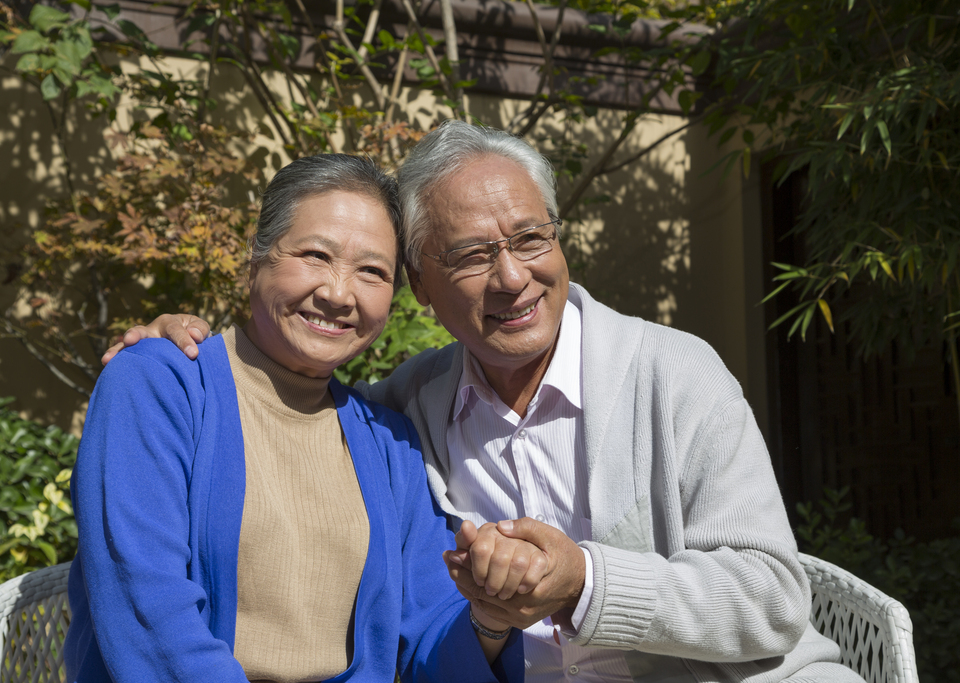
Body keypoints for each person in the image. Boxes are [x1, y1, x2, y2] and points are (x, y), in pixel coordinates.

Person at [106, 122, 865, 683]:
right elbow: (155, 591)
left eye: (531, 238)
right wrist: (163, 346)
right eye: (471, 255)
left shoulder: (672, 373)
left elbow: (771, 598)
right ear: (426, 290)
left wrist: (576, 586)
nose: (511, 277)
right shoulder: (395, 413)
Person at [63, 153, 530, 683]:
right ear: (255, 258)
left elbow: (430, 642)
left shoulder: (388, 442)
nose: (337, 292)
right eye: (314, 255)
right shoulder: (157, 386)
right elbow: (149, 616)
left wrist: (489, 619)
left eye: (372, 272)